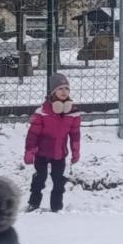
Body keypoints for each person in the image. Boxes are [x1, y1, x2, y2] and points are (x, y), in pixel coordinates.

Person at [22, 72, 81, 212]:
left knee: (58, 180)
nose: (64, 91)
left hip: (60, 154)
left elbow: (75, 134)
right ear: (53, 91)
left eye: (67, 88)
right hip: (42, 152)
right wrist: (30, 151)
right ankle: (33, 203)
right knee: (39, 178)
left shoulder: (73, 113)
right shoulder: (42, 112)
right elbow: (33, 133)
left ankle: (56, 207)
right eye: (60, 88)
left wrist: (75, 151)